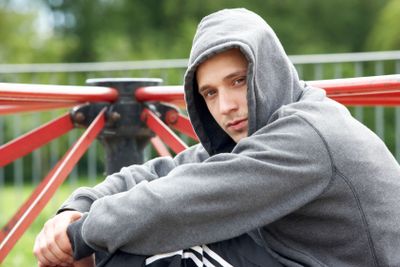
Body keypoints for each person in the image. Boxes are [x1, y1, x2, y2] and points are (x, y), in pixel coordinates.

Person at [34, 8, 400, 267]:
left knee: (147, 251)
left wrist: (81, 238)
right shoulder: (266, 128)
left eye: (238, 81)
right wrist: (78, 206)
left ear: (268, 71)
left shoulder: (306, 135)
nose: (225, 106)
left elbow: (175, 205)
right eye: (209, 93)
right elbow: (168, 171)